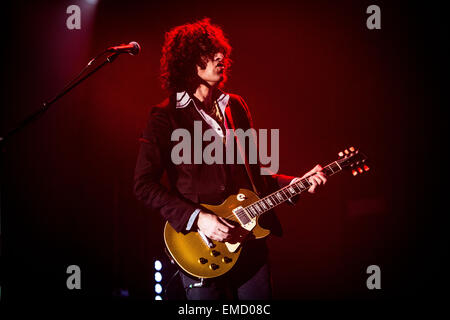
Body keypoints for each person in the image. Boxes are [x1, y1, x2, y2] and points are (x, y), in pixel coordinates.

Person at [133, 18, 327, 300]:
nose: (220, 57)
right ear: (188, 62)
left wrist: (296, 182)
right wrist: (199, 219)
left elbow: (257, 178)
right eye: (208, 53)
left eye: (220, 51)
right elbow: (143, 185)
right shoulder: (166, 116)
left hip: (250, 244)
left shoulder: (235, 106)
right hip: (203, 246)